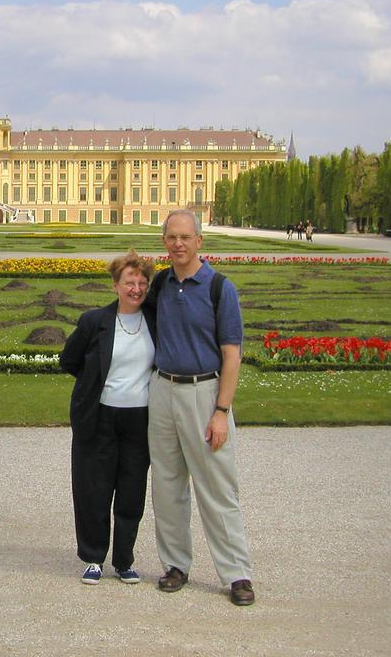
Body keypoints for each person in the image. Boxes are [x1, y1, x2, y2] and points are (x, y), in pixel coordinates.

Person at [147, 209, 254, 606]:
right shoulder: (161, 283)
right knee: (167, 484)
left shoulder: (219, 287)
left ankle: (237, 573)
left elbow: (232, 355)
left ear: (199, 241)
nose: (178, 244)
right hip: (163, 390)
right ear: (164, 241)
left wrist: (221, 411)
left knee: (217, 486)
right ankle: (175, 564)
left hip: (203, 393)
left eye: (185, 237)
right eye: (171, 237)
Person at [60, 251, 157, 586]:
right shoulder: (94, 321)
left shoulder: (155, 320)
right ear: (115, 285)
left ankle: (124, 560)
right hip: (99, 415)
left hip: (140, 418)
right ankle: (93, 556)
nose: (136, 288)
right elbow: (69, 360)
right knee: (94, 488)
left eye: (142, 282)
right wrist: (93, 386)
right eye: (129, 282)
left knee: (131, 489)